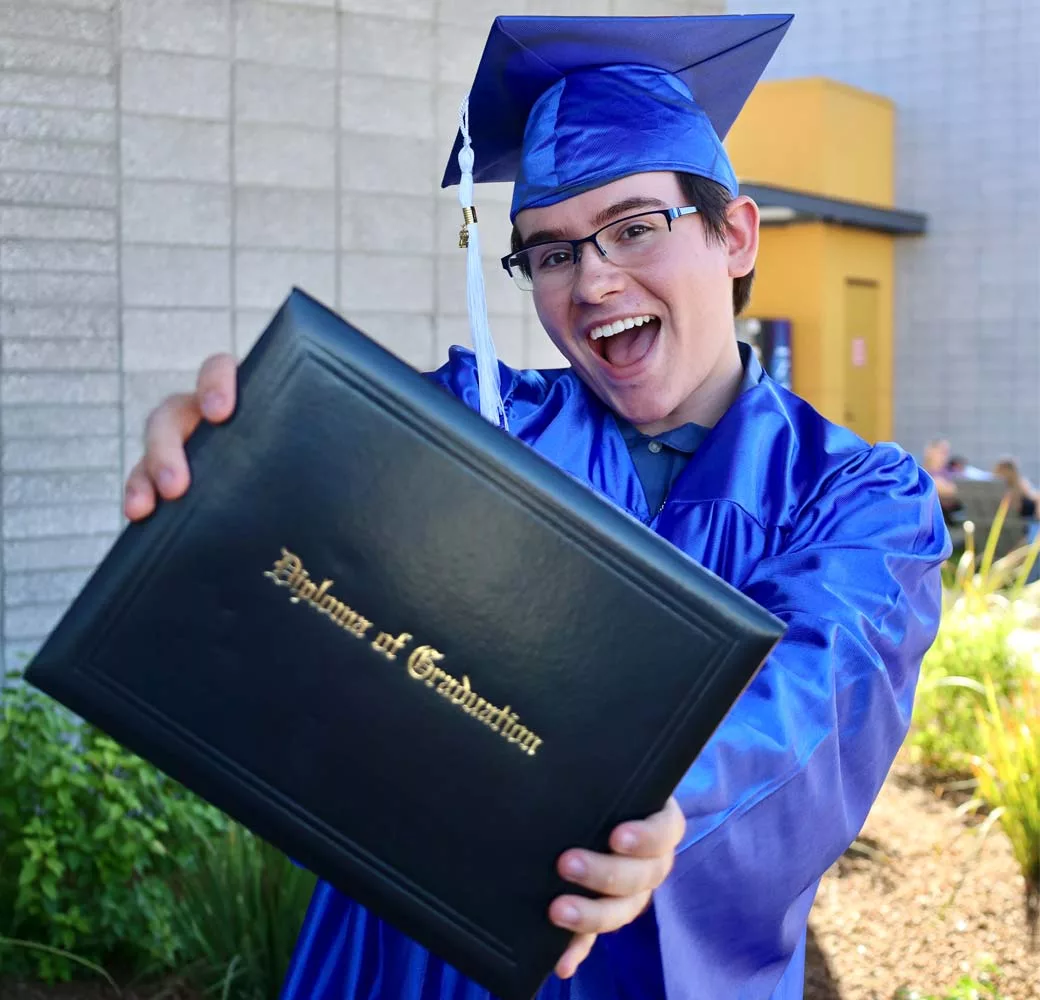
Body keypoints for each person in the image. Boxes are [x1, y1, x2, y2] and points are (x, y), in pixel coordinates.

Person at [122, 14, 951, 1000]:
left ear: (733, 234)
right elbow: (321, 488)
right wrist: (228, 455)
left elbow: (815, 689)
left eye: (634, 227)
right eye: (549, 252)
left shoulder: (855, 498)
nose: (592, 278)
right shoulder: (479, 424)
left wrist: (664, 802)